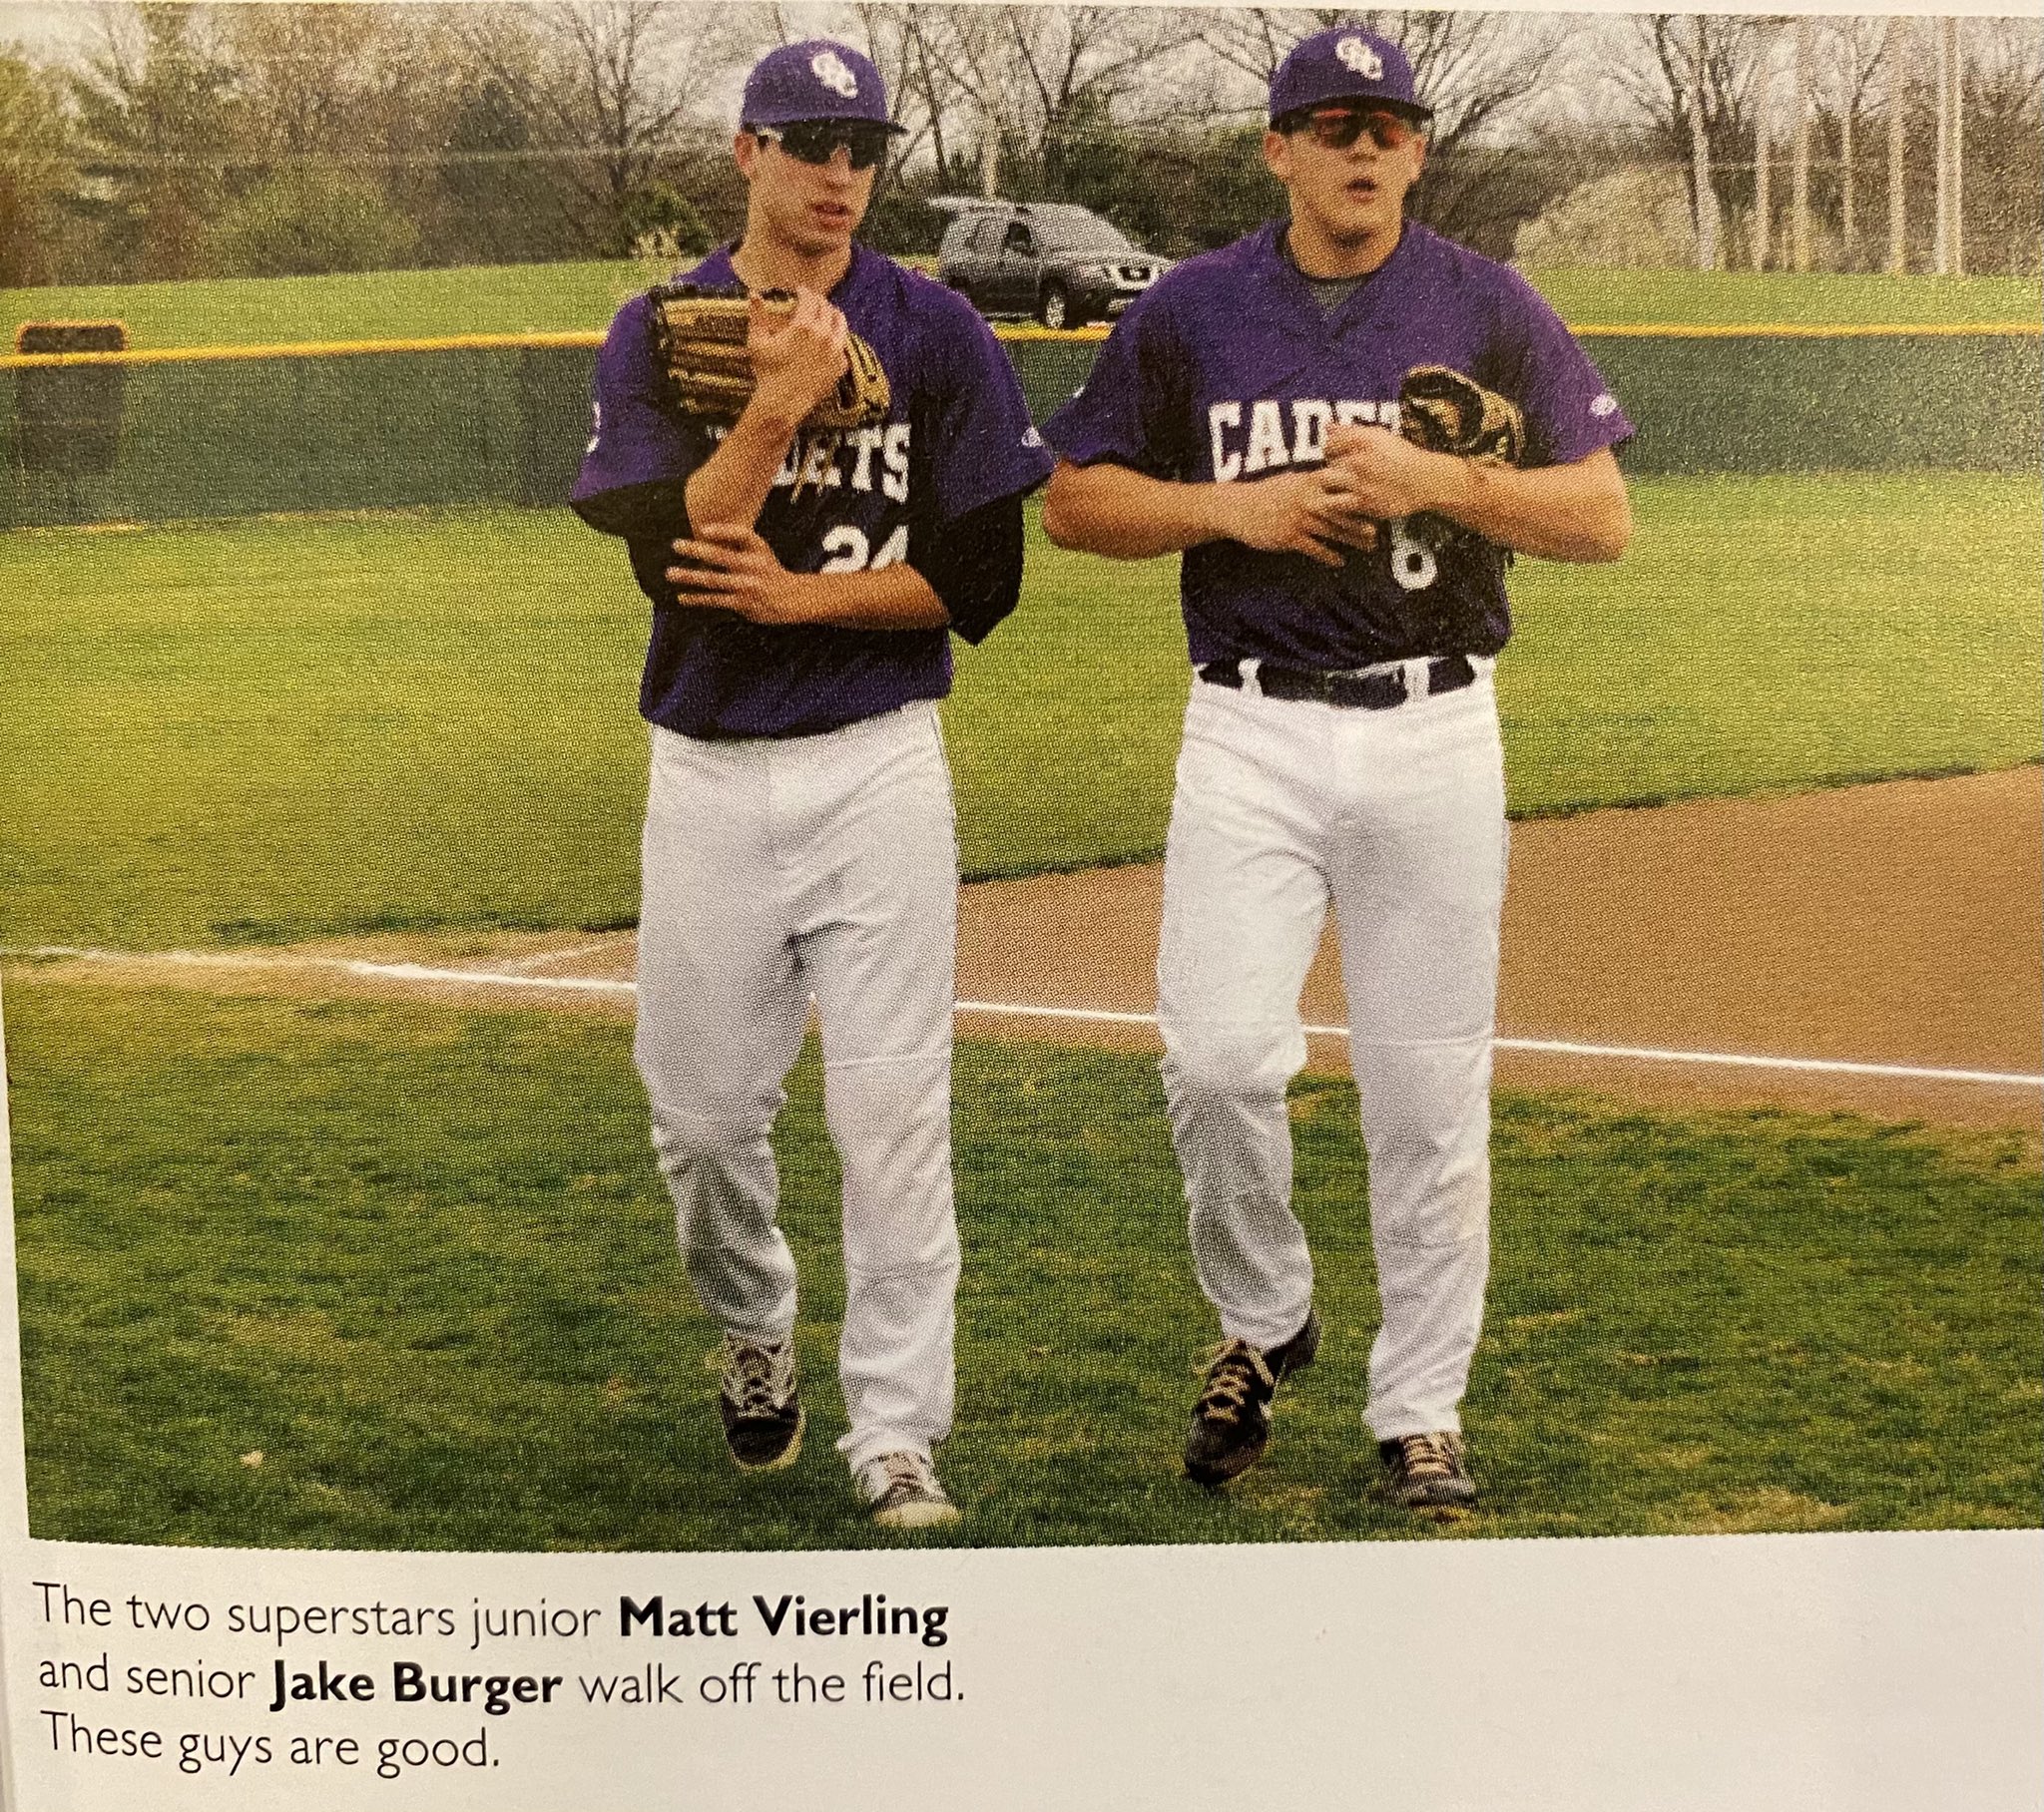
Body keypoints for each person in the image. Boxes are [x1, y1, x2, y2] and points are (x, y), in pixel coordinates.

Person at [1040, 26, 1633, 1510]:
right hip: (1248, 723)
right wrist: (1231, 512)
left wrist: (1447, 482)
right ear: (1278, 151)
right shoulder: (1190, 312)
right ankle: (1267, 1313)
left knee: (1429, 1095)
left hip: (1434, 723)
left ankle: (1421, 1409)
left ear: (1419, 152)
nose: (1362, 146)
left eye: (1386, 124)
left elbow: (1602, 515)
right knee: (1221, 1057)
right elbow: (1074, 502)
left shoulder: (1487, 303)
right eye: (1330, 122)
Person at [570, 39, 1052, 1528]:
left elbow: (980, 584)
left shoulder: (942, 330)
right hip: (709, 774)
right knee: (702, 1121)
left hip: (877, 764)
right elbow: (680, 553)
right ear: (747, 152)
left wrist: (806, 604)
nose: (840, 172)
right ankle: (758, 1320)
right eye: (810, 141)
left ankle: (898, 1432)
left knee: (894, 1112)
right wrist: (778, 404)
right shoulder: (660, 329)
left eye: (863, 145)